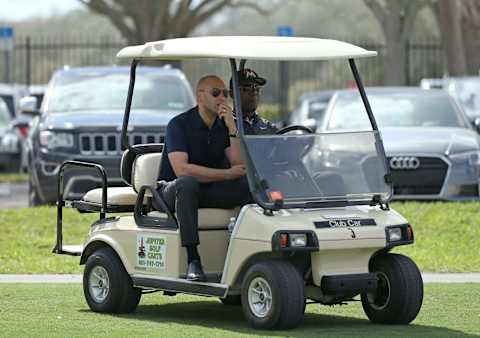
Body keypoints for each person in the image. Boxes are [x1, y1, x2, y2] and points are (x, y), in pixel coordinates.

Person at [157, 75, 253, 282]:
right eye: (216, 93)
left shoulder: (222, 126)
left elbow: (239, 165)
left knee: (249, 186)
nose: (222, 98)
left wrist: (232, 127)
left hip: (206, 190)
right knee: (188, 183)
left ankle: (244, 254)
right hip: (171, 191)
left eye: (225, 94)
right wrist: (226, 174)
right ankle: (193, 260)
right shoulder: (179, 124)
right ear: (200, 97)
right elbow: (181, 169)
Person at [229, 68, 278, 135]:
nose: (254, 92)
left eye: (257, 88)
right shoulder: (226, 125)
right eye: (247, 88)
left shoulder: (268, 128)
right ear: (232, 93)